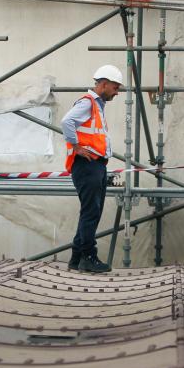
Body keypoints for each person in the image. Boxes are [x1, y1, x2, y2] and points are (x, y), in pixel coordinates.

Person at [61, 65, 123, 273]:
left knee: (90, 211)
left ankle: (77, 257)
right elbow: (66, 121)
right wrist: (76, 147)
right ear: (103, 84)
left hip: (94, 165)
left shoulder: (96, 106)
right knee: (91, 212)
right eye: (115, 87)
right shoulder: (87, 103)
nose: (117, 92)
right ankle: (88, 257)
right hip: (87, 165)